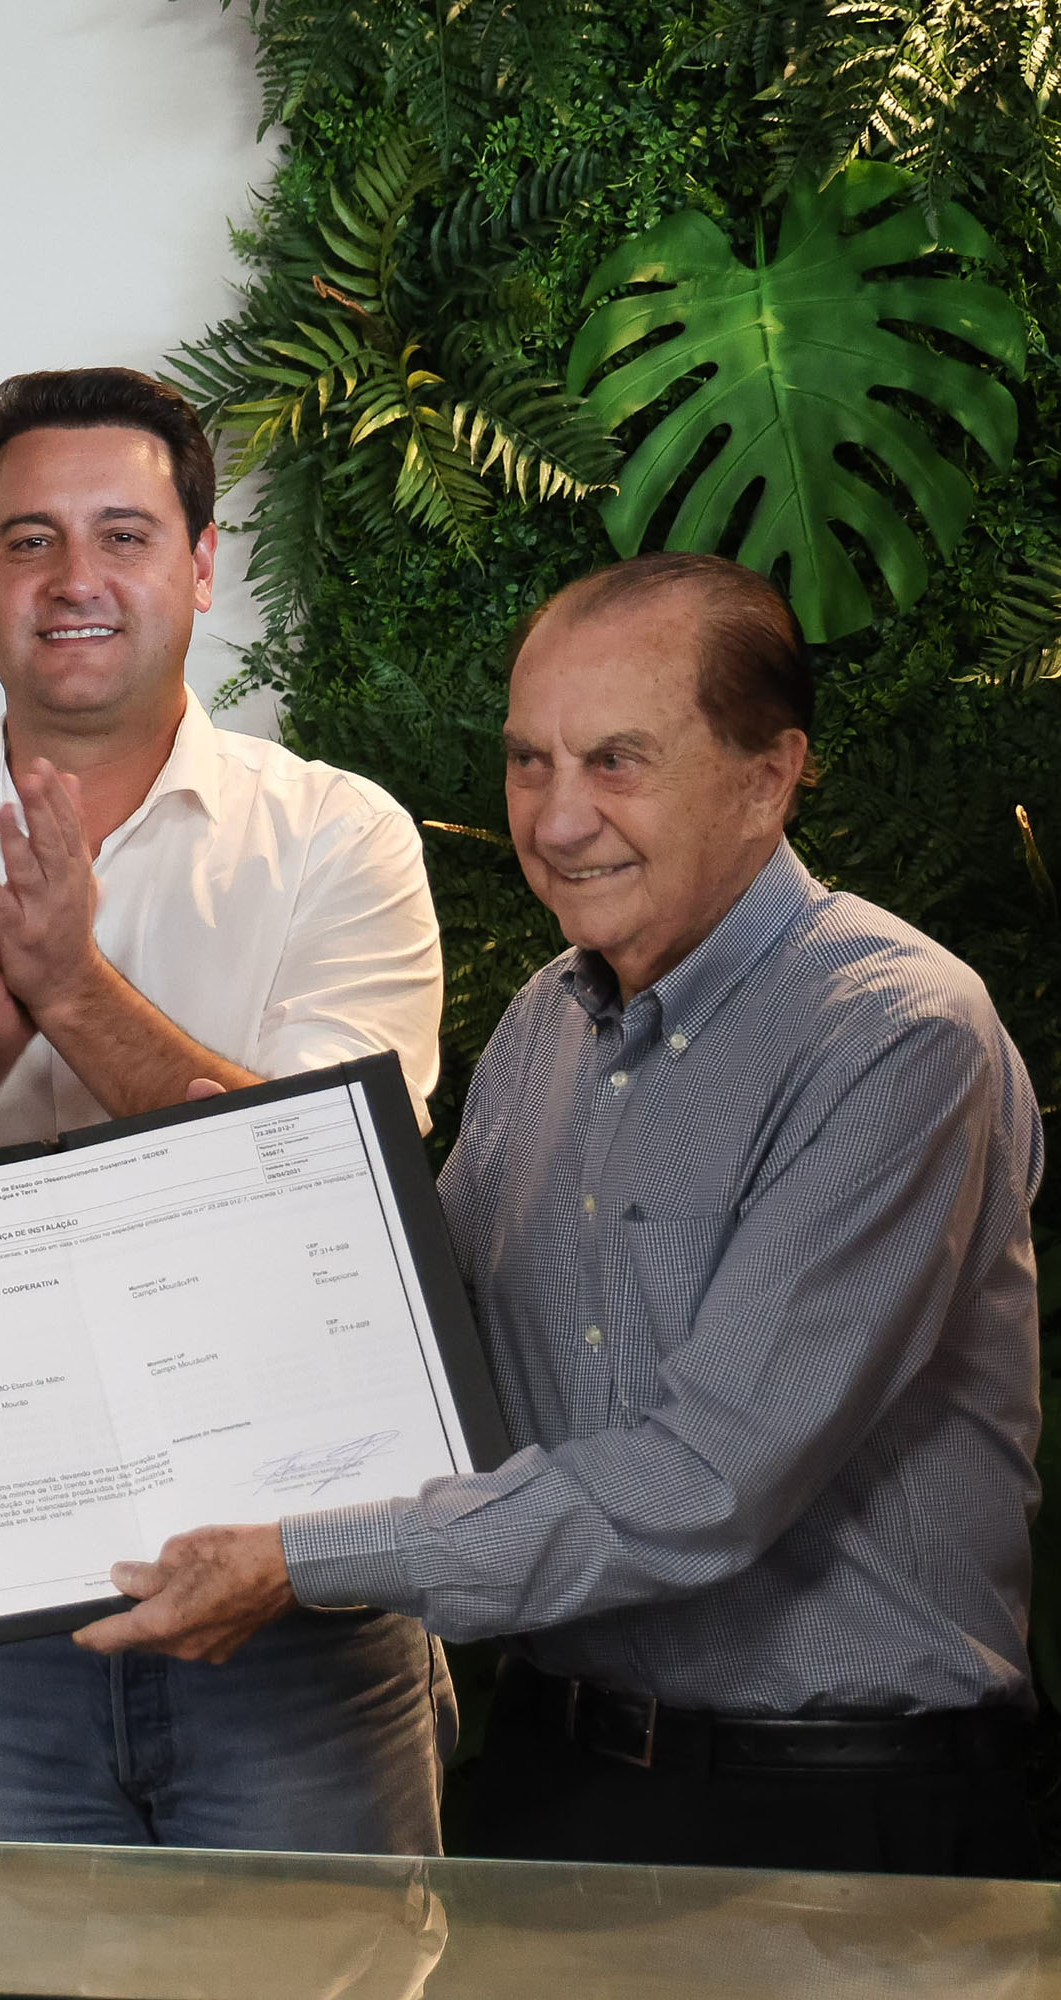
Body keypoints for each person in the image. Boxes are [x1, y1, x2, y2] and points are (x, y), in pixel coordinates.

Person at [78, 553, 1046, 1879]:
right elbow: (434, 1346)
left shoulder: (894, 1035)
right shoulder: (548, 1020)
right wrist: (246, 1225)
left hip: (836, 1818)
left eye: (617, 761)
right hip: (560, 1779)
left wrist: (302, 1556)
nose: (559, 817)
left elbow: (703, 1483)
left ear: (768, 776)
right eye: (528, 761)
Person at [0, 367, 450, 1855]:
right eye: (30, 540)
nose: (75, 579)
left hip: (297, 1609)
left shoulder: (340, 839)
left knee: (329, 1976)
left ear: (202, 563)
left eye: (124, 535)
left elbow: (334, 1191)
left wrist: (73, 987)